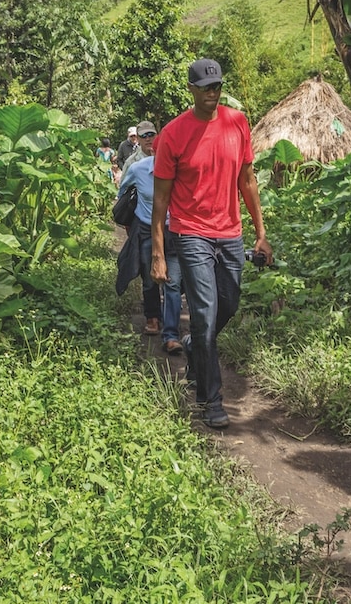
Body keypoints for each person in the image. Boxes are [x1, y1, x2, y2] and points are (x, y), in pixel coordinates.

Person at [151, 58, 272, 429]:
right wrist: (158, 252)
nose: (212, 93)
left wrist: (261, 233)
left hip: (230, 233)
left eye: (216, 86)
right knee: (204, 313)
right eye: (205, 87)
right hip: (191, 233)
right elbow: (160, 199)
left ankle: (194, 346)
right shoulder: (173, 134)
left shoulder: (237, 123)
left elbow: (247, 180)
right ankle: (210, 400)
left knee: (228, 305)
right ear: (191, 89)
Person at [117, 129, 184, 353]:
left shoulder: (181, 171)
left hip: (173, 229)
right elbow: (124, 191)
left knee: (173, 281)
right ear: (154, 152)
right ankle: (153, 317)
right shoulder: (138, 169)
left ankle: (171, 333)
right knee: (150, 277)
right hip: (147, 228)